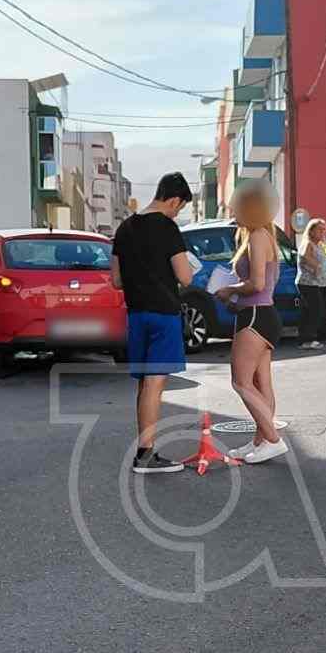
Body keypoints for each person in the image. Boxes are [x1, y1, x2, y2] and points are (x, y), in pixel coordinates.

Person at [110, 172, 200, 474]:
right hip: (163, 314)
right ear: (174, 199)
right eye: (179, 207)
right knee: (155, 384)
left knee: (145, 384)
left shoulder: (124, 228)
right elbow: (185, 276)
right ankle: (146, 454)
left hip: (136, 314)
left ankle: (144, 448)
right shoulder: (168, 227)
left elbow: (116, 280)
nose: (177, 212)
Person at [214, 182, 287, 463]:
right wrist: (233, 299)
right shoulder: (261, 235)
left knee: (241, 382)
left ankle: (272, 439)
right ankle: (260, 441)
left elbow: (256, 283)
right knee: (261, 383)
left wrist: (229, 289)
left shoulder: (257, 236)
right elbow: (265, 283)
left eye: (237, 205)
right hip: (260, 314)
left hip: (255, 316)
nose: (233, 209)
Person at [296, 217, 326, 347]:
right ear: (311, 231)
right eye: (320, 230)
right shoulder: (308, 243)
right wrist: (316, 267)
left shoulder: (318, 245)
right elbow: (305, 256)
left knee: (310, 310)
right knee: (316, 310)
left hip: (316, 283)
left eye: (324, 230)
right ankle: (308, 339)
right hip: (308, 282)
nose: (323, 232)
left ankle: (304, 339)